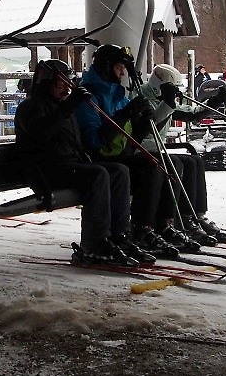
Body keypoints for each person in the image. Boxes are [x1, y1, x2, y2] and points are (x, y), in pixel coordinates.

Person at [14, 59, 155, 267]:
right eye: (60, 85)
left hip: (69, 165)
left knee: (119, 171)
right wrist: (68, 108)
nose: (65, 90)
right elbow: (39, 135)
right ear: (46, 83)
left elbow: (76, 143)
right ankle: (94, 243)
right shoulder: (30, 107)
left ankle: (119, 235)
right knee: (97, 175)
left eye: (67, 85)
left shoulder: (64, 108)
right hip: (45, 170)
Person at [74, 45, 180, 259]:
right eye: (119, 67)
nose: (123, 73)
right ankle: (132, 230)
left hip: (120, 155)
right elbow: (95, 141)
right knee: (138, 169)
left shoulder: (117, 93)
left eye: (124, 68)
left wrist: (144, 120)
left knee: (164, 164)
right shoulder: (90, 95)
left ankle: (157, 224)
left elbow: (132, 136)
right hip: (99, 158)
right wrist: (125, 114)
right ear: (106, 67)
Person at [138, 64, 226, 245]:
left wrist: (214, 102)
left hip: (158, 149)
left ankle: (194, 215)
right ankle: (170, 220)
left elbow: (191, 114)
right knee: (177, 163)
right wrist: (167, 103)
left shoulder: (162, 98)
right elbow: (148, 126)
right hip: (141, 148)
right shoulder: (141, 96)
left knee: (194, 161)